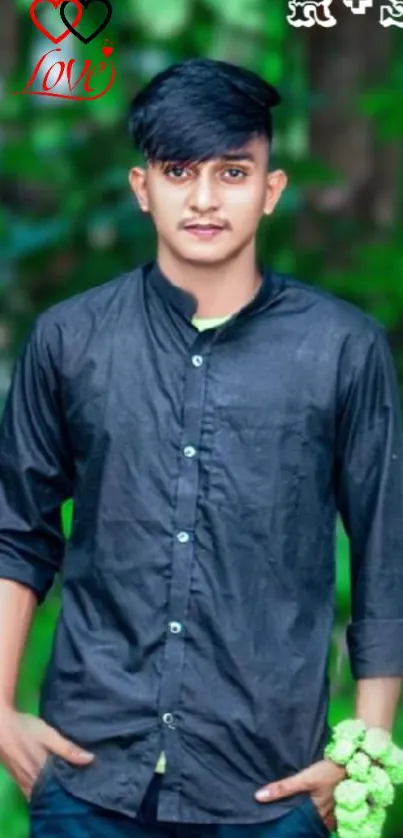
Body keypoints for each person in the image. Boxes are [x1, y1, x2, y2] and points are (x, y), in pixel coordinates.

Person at [0, 56, 402, 838]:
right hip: (89, 780)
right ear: (141, 186)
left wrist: (367, 745)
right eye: (179, 170)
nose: (206, 198)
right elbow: (16, 534)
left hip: (270, 785)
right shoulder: (70, 340)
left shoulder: (341, 349)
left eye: (232, 170)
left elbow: (385, 551)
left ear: (271, 188)